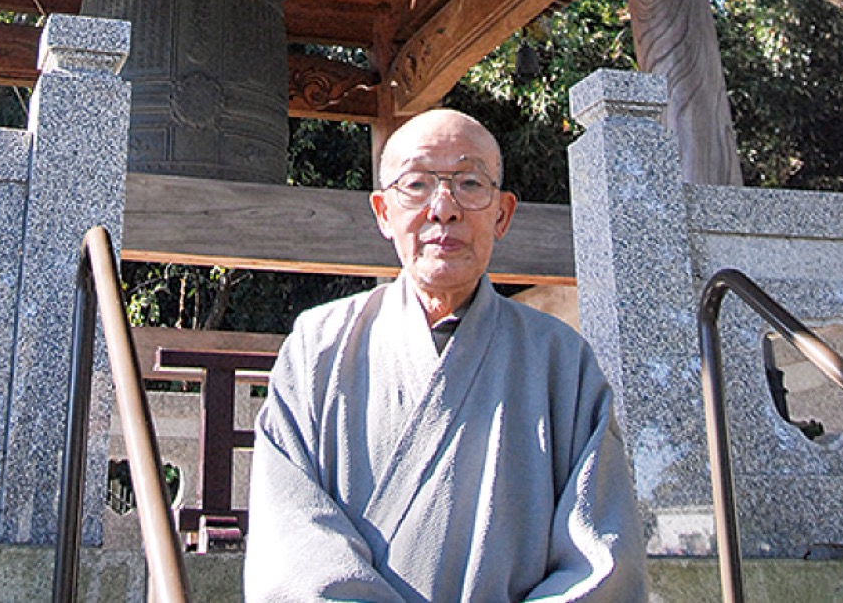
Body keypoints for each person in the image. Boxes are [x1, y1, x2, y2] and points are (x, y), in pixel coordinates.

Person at [244, 108, 647, 602]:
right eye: (415, 184)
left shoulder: (561, 362)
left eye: (470, 184)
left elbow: (601, 565)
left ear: (501, 214)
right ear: (383, 212)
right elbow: (292, 546)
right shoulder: (317, 348)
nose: (444, 208)